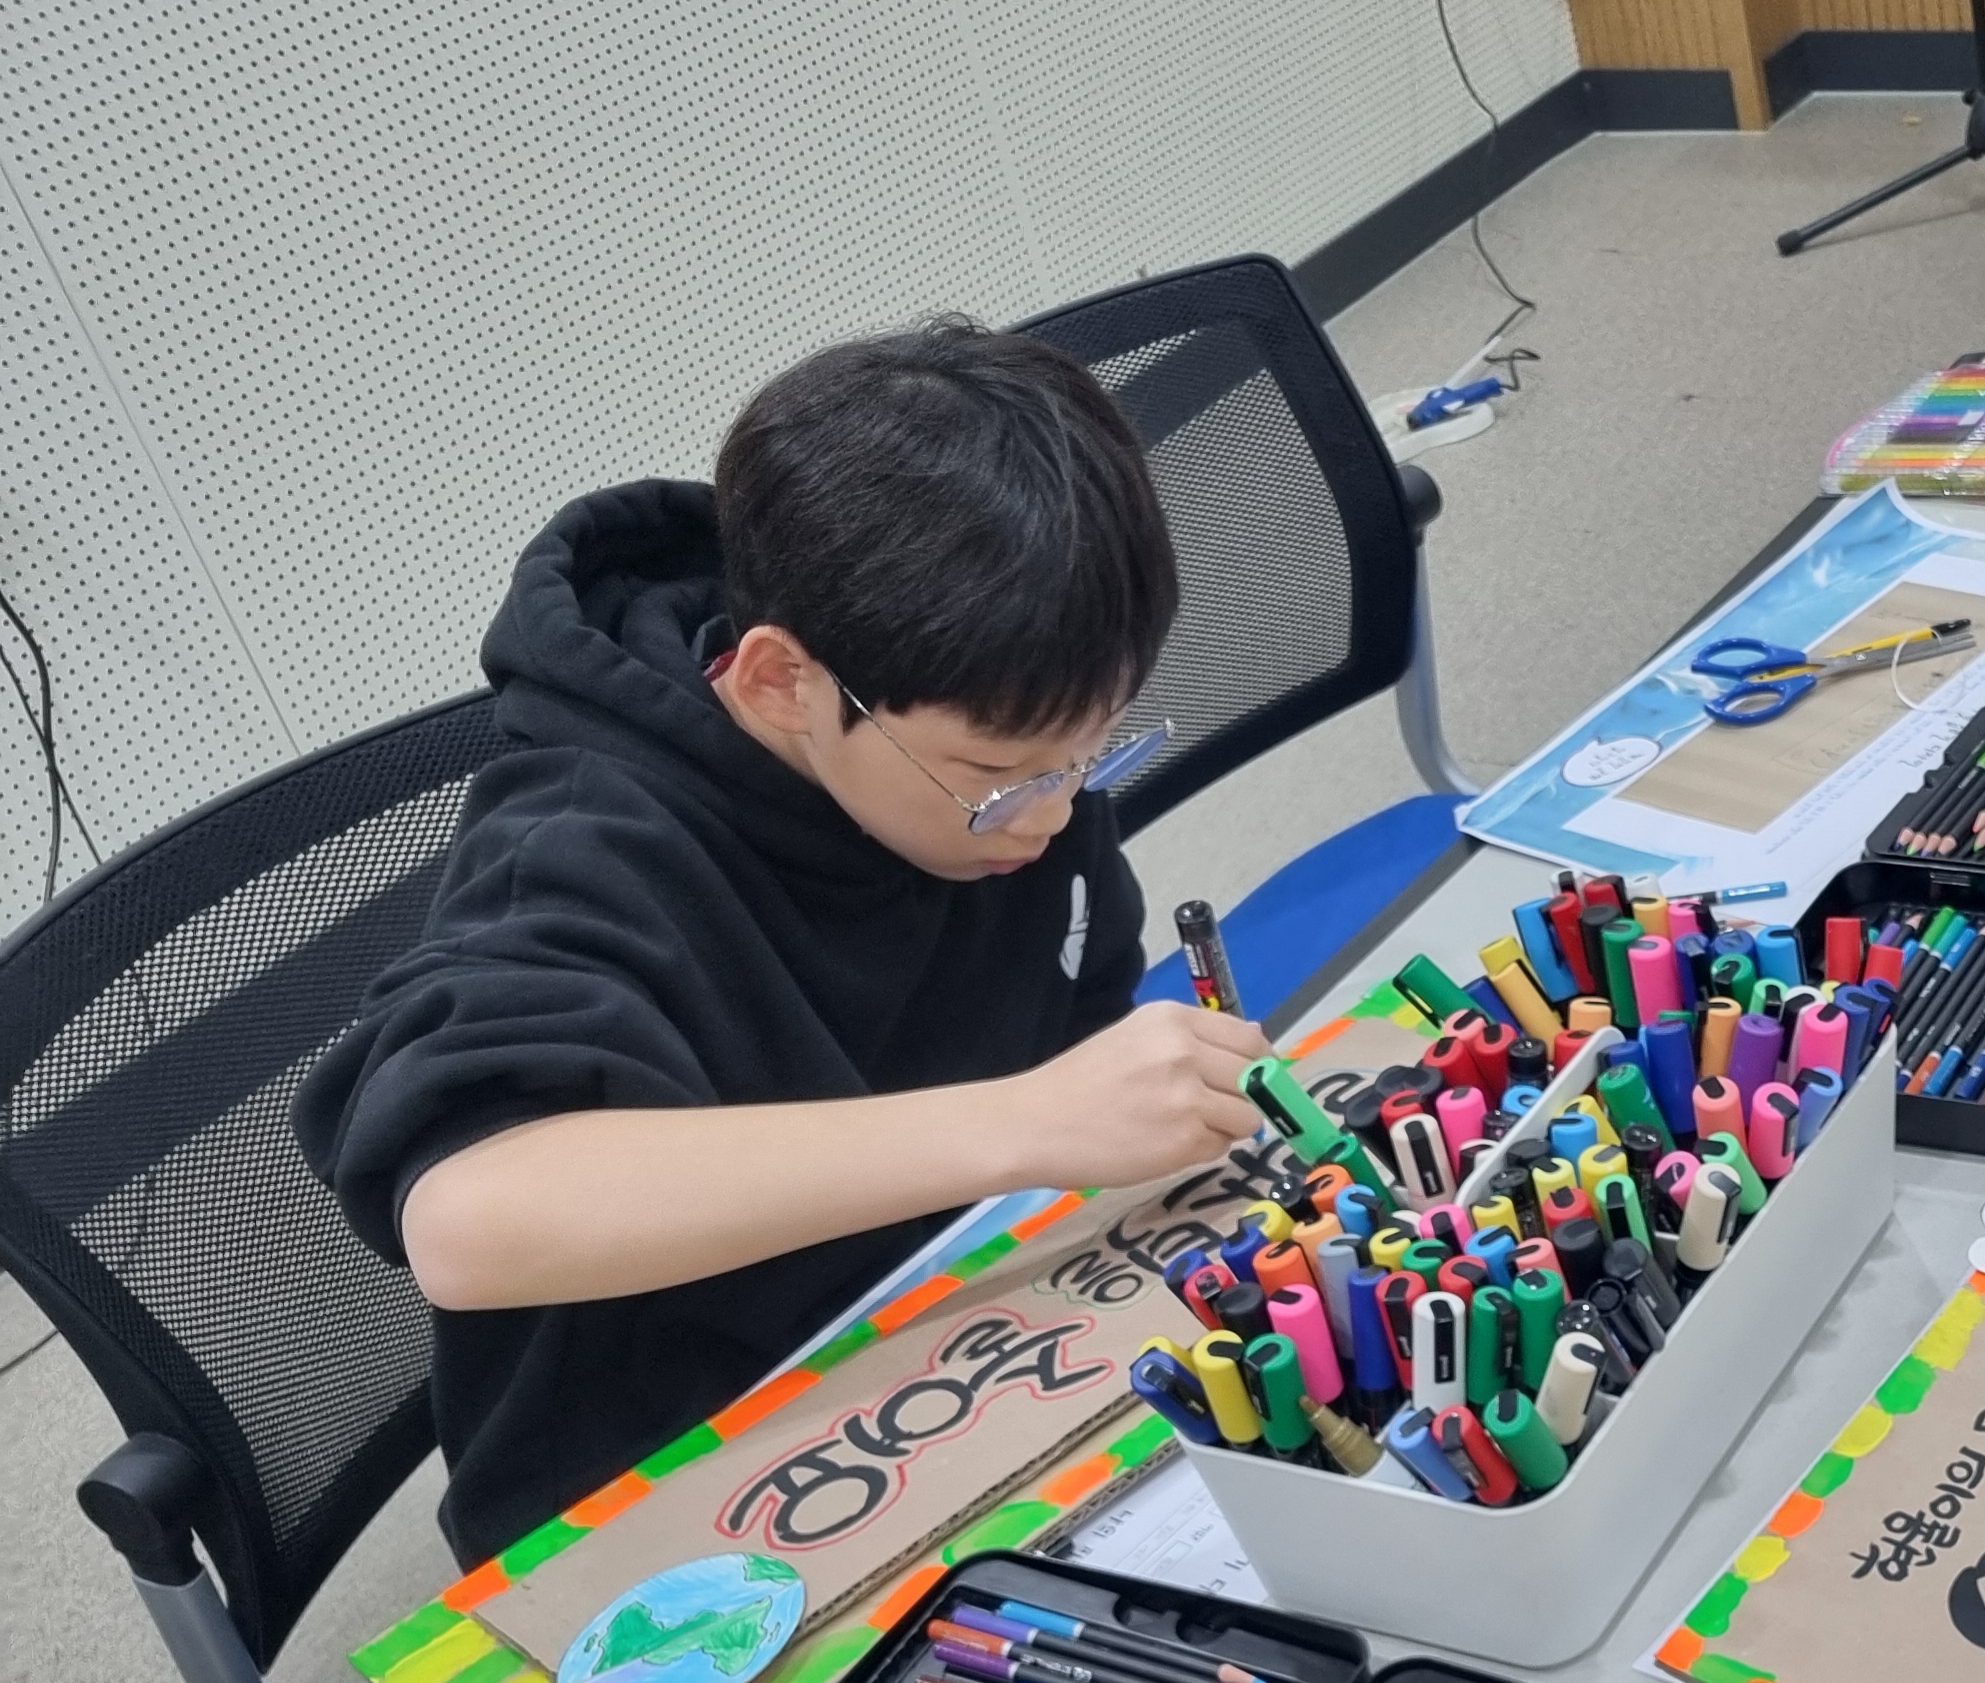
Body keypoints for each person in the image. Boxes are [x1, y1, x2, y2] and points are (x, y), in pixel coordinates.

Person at [300, 321, 1267, 1565]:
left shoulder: (1002, 770)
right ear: (777, 683)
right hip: (679, 1479)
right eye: (999, 774)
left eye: (1093, 751)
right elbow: (469, 1216)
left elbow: (1069, 1010)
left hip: (962, 1321)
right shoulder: (588, 848)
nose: (1053, 813)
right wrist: (1024, 1122)